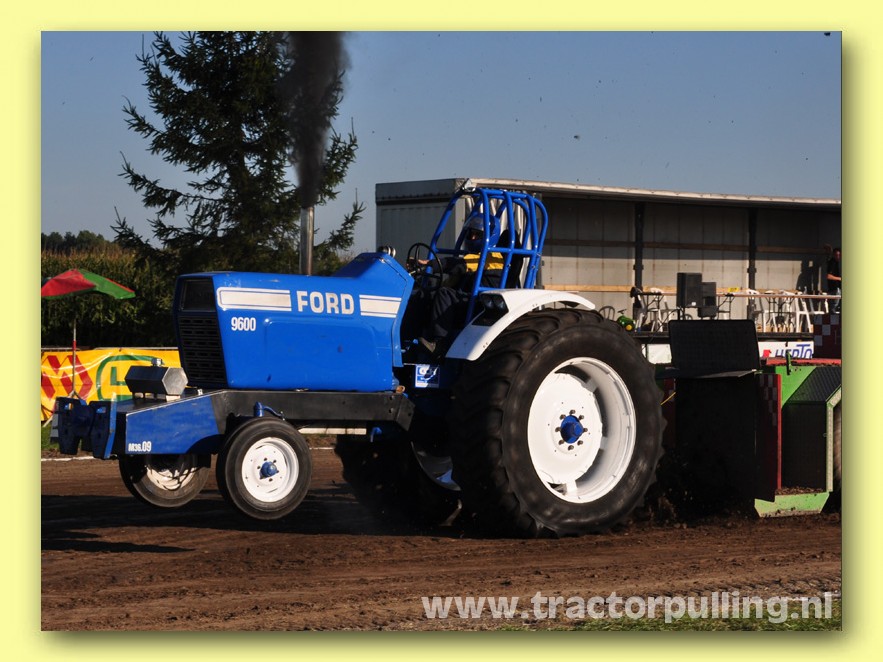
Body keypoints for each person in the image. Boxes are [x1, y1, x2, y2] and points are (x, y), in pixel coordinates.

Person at [826, 246, 842, 312]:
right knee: (834, 307)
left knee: (835, 307)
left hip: (836, 288)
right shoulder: (832, 263)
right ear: (833, 255)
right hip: (834, 289)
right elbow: (828, 276)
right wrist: (839, 278)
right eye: (836, 255)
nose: (838, 257)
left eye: (839, 255)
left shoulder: (837, 263)